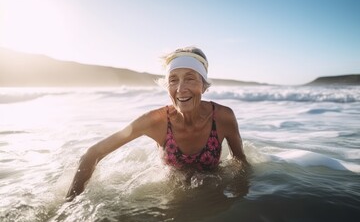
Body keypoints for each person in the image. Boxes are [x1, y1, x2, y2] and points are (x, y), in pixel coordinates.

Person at [66, 46, 250, 201]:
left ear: (204, 85)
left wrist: (242, 198)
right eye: (173, 80)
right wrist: (71, 206)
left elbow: (239, 161)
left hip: (211, 193)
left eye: (190, 78)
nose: (180, 89)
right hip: (171, 196)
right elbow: (92, 153)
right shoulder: (156, 121)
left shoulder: (223, 117)